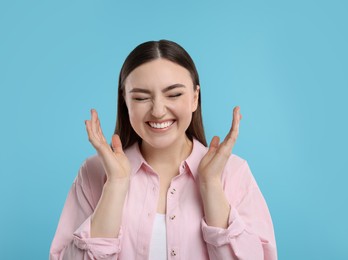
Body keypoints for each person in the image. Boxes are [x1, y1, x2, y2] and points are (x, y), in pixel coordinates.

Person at [49, 40, 277, 259]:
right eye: (140, 97)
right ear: (125, 101)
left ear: (195, 98)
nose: (158, 111)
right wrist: (116, 185)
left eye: (174, 94)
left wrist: (210, 185)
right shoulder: (93, 172)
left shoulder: (234, 173)